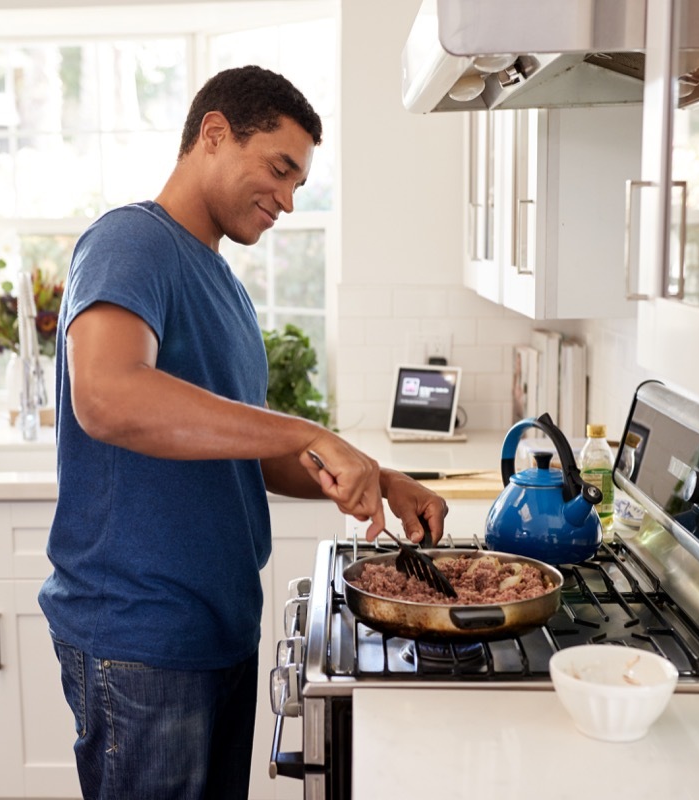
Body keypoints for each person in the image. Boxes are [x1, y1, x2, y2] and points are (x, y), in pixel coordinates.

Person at [38, 64, 448, 800]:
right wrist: (309, 430)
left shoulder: (221, 282)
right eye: (280, 169)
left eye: (300, 182)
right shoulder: (132, 242)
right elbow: (105, 395)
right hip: (142, 639)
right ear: (214, 135)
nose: (290, 200)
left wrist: (372, 477)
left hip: (216, 628)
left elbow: (245, 457)